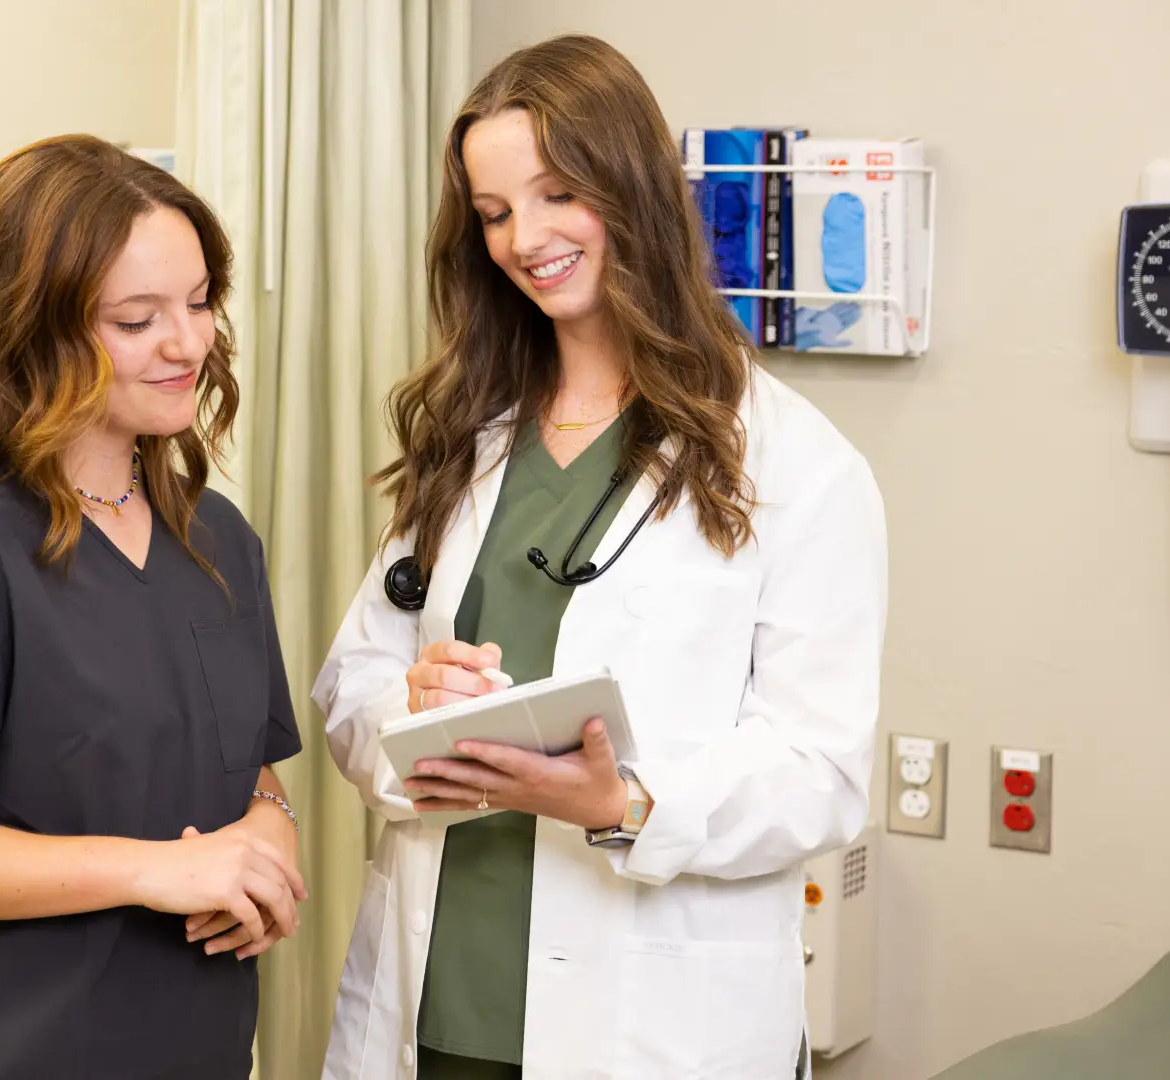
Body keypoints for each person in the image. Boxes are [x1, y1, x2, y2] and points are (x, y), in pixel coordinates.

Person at [316, 35, 887, 1080]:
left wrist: (624, 802)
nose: (525, 239)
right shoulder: (469, 436)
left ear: (632, 187)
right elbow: (353, 686)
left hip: (652, 1027)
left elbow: (822, 771)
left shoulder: (797, 464)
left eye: (558, 195)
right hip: (435, 1004)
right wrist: (414, 706)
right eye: (494, 213)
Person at [0, 134, 306, 1080]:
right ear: (35, 329)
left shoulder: (216, 540)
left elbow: (244, 766)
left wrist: (268, 828)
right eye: (137, 319)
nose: (187, 343)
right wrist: (150, 869)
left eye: (200, 302)